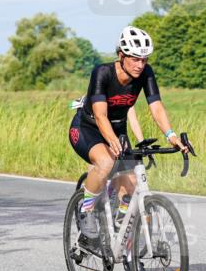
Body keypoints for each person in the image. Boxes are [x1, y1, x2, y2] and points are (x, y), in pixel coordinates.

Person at [67, 26, 189, 250]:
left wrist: (171, 135)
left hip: (117, 127)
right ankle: (86, 212)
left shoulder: (146, 73)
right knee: (106, 162)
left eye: (144, 60)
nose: (140, 65)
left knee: (131, 181)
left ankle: (122, 223)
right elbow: (101, 115)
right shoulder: (102, 73)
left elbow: (156, 107)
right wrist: (112, 142)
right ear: (121, 56)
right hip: (88, 127)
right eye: (135, 59)